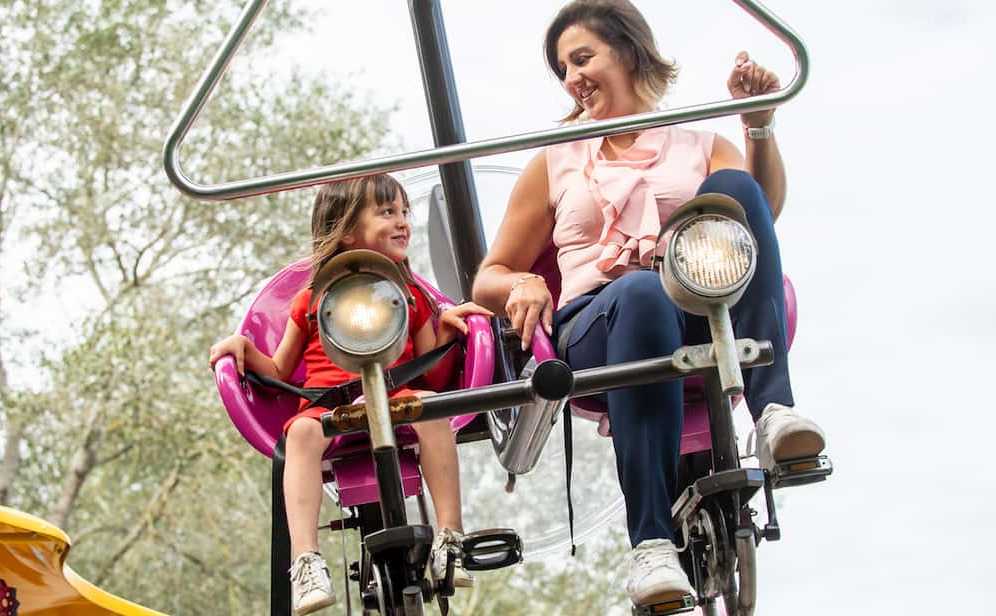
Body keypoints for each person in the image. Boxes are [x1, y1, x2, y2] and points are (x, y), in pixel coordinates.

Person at [471, 0, 827, 609]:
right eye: (561, 69)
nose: (571, 78)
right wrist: (521, 285)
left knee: (734, 191)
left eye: (583, 58)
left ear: (629, 53)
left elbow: (760, 210)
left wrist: (758, 125)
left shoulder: (699, 140)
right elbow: (489, 275)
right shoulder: (555, 160)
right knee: (638, 292)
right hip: (599, 322)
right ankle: (652, 545)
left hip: (698, 306)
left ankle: (773, 414)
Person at [209, 175, 490, 614]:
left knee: (432, 414)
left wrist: (447, 328)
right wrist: (243, 350)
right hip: (329, 405)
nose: (402, 223)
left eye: (403, 212)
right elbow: (281, 369)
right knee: (300, 436)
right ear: (345, 230)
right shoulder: (312, 299)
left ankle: (449, 539)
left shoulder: (407, 292)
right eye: (386, 213)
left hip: (397, 397)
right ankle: (305, 559)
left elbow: (427, 368)